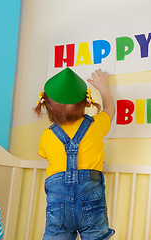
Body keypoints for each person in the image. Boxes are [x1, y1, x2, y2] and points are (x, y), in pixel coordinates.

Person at [34, 68, 115, 240]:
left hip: (59, 206)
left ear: (46, 107)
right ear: (87, 103)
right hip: (90, 201)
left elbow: (51, 157)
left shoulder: (47, 136)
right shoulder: (96, 126)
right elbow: (109, 109)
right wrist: (103, 88)